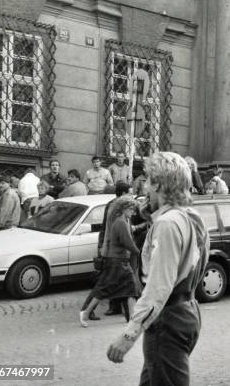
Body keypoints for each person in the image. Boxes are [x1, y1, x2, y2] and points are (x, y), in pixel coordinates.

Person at [106, 152, 210, 386]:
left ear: (160, 184)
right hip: (187, 309)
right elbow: (200, 264)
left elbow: (158, 287)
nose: (145, 187)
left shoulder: (167, 224)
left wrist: (128, 335)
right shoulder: (191, 216)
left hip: (168, 318)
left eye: (149, 180)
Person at [80, 196, 142, 327]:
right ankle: (85, 313)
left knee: (131, 289)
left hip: (120, 260)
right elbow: (127, 242)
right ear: (124, 208)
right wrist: (139, 252)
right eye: (131, 209)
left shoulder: (123, 220)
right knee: (105, 288)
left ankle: (132, 319)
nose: (133, 212)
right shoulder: (121, 222)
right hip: (117, 261)